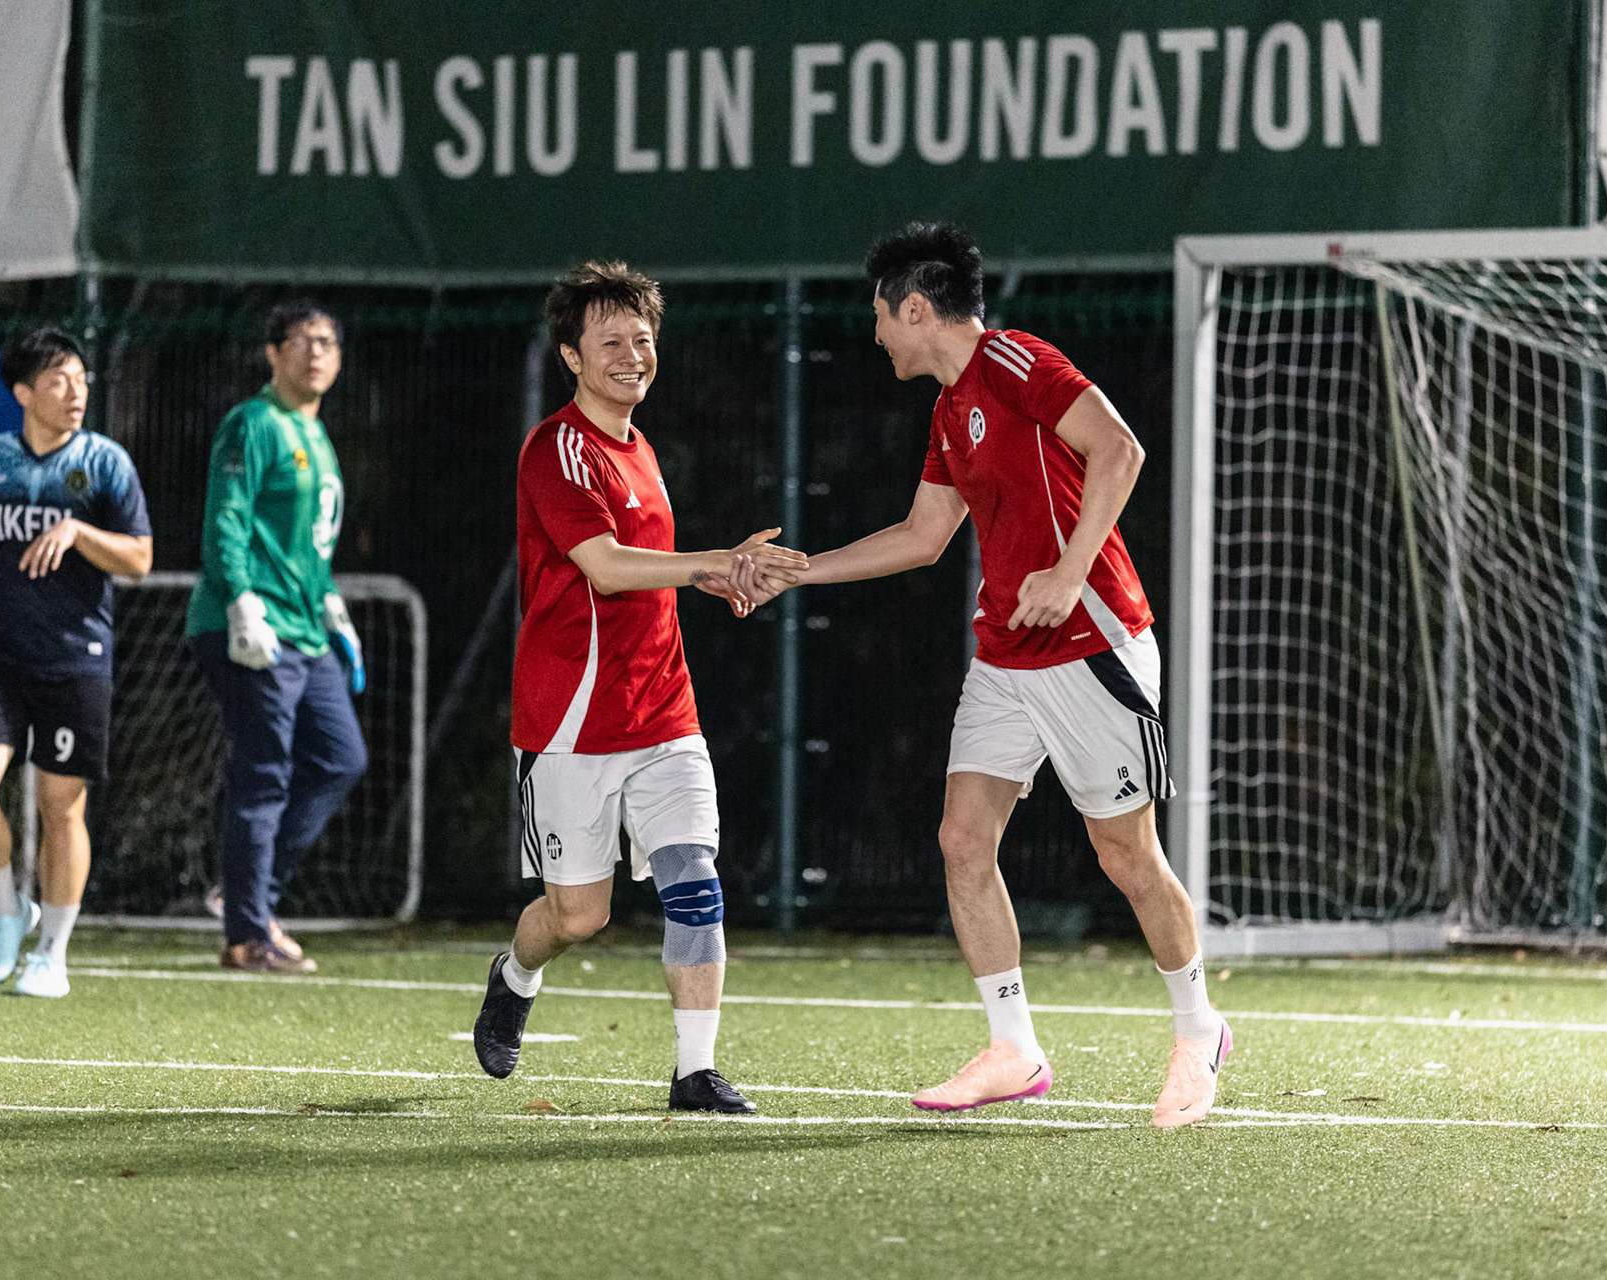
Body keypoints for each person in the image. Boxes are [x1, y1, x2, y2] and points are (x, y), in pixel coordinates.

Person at [740, 223, 1230, 1128]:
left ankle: (1199, 1030)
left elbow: (1120, 449)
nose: (875, 334)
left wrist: (1072, 569)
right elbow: (923, 537)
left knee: (1125, 855)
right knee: (963, 842)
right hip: (1005, 656)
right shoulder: (947, 411)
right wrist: (799, 572)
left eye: (878, 315)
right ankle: (1014, 1049)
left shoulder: (1014, 361)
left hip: (1092, 645)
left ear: (913, 308)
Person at [471, 261, 806, 1114]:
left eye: (643, 339)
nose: (632, 355)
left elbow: (646, 571)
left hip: (664, 710)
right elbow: (607, 567)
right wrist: (712, 561)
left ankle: (695, 1072)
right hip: (572, 721)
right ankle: (515, 975)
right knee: (577, 916)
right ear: (571, 357)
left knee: (694, 880)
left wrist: (708, 578)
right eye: (611, 341)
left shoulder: (641, 448)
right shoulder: (556, 449)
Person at [0, 327, 153, 997]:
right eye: (59, 381)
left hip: (77, 661)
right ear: (23, 393)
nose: (77, 391)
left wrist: (78, 532)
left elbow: (139, 560)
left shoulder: (106, 463)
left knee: (60, 805)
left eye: (82, 379)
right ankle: (7, 912)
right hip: (0, 659)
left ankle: (52, 953)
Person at [187, 299, 367, 975]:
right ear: (272, 353)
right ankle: (246, 935)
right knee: (263, 773)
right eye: (301, 340)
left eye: (327, 341)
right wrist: (240, 600)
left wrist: (330, 604)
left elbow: (304, 545)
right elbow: (227, 519)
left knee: (341, 757)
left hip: (303, 629)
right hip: (252, 626)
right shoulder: (253, 422)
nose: (316, 351)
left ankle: (249, 895)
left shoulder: (316, 434)